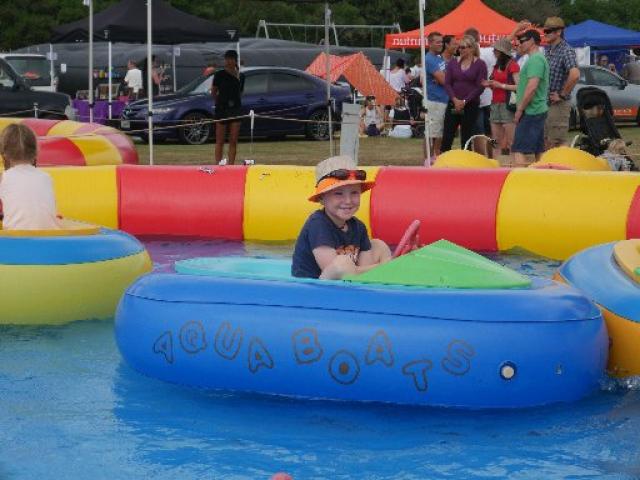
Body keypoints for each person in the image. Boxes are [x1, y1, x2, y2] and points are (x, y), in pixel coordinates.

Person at [291, 155, 392, 280]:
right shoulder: (317, 224)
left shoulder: (358, 227)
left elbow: (363, 268)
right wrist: (382, 266)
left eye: (354, 192)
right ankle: (387, 270)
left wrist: (377, 267)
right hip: (313, 288)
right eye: (338, 193)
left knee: (379, 245)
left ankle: (384, 281)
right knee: (342, 263)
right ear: (322, 198)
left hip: (346, 281)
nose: (348, 200)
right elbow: (336, 270)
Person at [0, 124, 60, 230]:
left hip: (17, 239)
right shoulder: (46, 177)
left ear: (4, 154)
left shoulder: (3, 178)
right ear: (36, 152)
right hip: (50, 237)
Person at [441, 35, 487, 152]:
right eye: (459, 47)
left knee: (466, 136)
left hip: (471, 104)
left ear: (471, 48)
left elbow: (480, 86)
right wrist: (455, 99)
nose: (460, 50)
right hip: (454, 102)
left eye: (463, 47)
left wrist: (465, 101)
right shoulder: (453, 63)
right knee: (447, 134)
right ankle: (443, 162)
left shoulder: (480, 64)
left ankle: (466, 164)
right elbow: (447, 83)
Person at [511, 30, 549, 166]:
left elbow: (532, 87)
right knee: (539, 150)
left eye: (522, 41)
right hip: (536, 110)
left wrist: (520, 110)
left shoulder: (535, 59)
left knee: (518, 150)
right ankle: (543, 180)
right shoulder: (535, 59)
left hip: (531, 111)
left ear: (532, 41)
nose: (519, 44)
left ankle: (520, 184)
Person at [543, 16, 579, 149]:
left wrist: (562, 94)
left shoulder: (566, 50)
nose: (545, 33)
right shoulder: (548, 50)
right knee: (547, 141)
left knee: (557, 141)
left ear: (559, 32)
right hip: (547, 103)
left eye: (549, 31)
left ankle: (564, 168)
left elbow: (575, 75)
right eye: (544, 30)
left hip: (559, 104)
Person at [483, 38, 520, 156]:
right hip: (495, 104)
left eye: (495, 50)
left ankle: (514, 165)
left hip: (507, 105)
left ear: (501, 51)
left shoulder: (513, 65)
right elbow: (494, 83)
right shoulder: (496, 66)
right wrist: (489, 84)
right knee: (495, 139)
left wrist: (501, 85)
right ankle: (496, 166)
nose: (493, 52)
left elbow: (519, 87)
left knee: (511, 140)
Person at [212, 50, 245, 165]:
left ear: (235, 60)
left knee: (233, 140)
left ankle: (231, 165)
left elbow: (240, 92)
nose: (229, 61)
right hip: (222, 109)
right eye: (227, 59)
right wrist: (219, 103)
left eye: (231, 58)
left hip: (236, 109)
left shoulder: (241, 75)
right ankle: (218, 164)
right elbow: (214, 91)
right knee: (220, 140)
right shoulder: (219, 74)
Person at [465, 28, 494, 157]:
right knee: (490, 132)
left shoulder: (465, 56)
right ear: (479, 38)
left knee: (478, 133)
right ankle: (492, 159)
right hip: (488, 99)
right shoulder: (488, 52)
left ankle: (481, 161)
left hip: (477, 100)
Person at [424, 31, 448, 156]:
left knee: (438, 132)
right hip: (435, 100)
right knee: (432, 133)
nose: (440, 44)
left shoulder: (438, 58)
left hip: (441, 99)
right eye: (437, 42)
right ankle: (430, 158)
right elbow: (444, 80)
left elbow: (445, 77)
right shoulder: (429, 59)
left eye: (441, 42)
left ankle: (434, 156)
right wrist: (443, 78)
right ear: (430, 43)